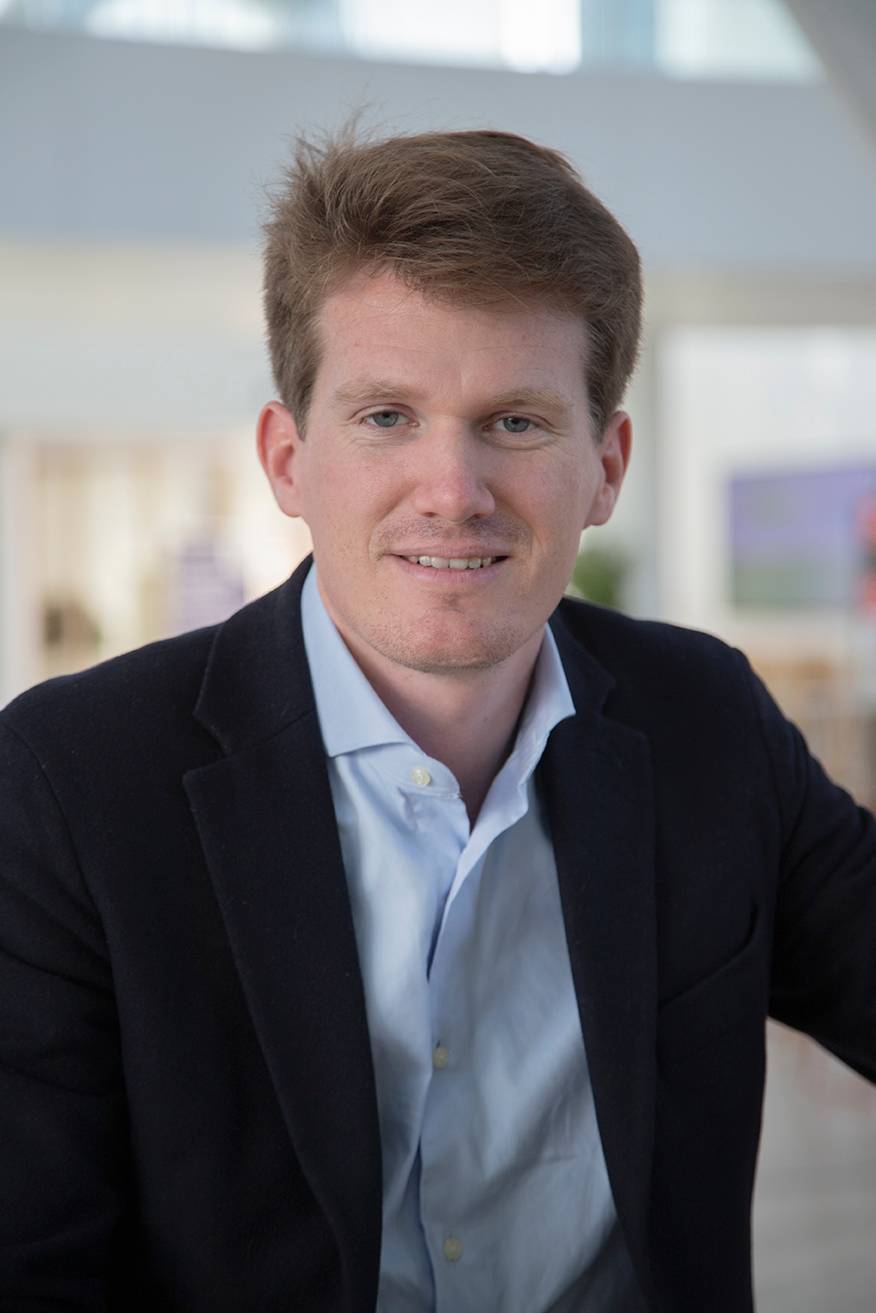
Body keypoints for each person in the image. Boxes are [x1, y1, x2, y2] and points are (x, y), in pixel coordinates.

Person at [0, 126, 873, 1313]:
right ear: (288, 458)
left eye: (515, 421)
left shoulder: (707, 719)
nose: (454, 492)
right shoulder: (71, 782)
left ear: (606, 466)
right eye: (386, 416)